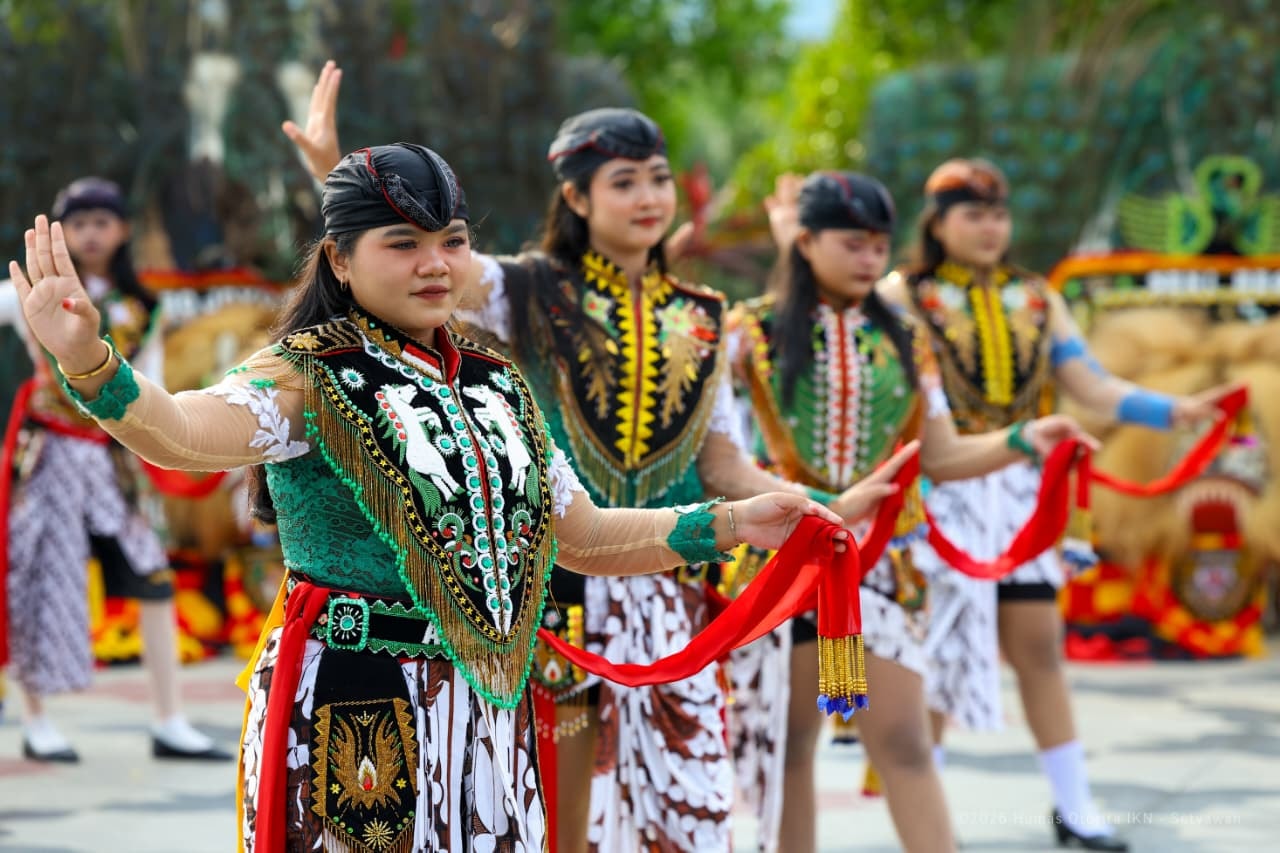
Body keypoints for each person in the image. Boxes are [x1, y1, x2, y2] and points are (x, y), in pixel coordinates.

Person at [7, 143, 858, 851]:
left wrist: (734, 521)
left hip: (486, 708)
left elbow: (583, 533)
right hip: (358, 699)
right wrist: (92, 364)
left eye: (449, 241)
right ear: (339, 258)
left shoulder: (496, 381)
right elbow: (184, 434)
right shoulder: (308, 372)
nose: (435, 265)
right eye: (403, 244)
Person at [282, 62, 913, 853]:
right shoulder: (526, 289)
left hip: (668, 592)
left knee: (687, 812)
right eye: (624, 181)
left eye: (659, 179)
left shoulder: (706, 316)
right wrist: (331, 170)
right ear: (576, 197)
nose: (649, 197)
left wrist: (807, 500)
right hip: (560, 587)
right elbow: (416, 255)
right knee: (561, 816)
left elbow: (722, 464)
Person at [879, 158, 1237, 851]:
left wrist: (1175, 411)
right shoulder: (899, 296)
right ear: (938, 221)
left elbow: (1094, 386)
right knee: (935, 653)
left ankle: (1076, 807)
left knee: (1040, 645)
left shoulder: (1037, 297)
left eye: (997, 213)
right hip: (938, 492)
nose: (989, 227)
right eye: (972, 213)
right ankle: (924, 820)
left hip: (1019, 492)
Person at [737, 171, 1093, 853]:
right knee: (789, 750)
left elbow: (943, 452)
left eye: (879, 245)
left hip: (880, 567)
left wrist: (1024, 439)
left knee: (904, 741)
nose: (870, 258)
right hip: (778, 563)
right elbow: (717, 452)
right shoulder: (747, 330)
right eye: (853, 243)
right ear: (806, 241)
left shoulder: (907, 335)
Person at [0, 178, 230, 762]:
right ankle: (38, 718)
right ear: (59, 233)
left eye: (103, 221)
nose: (91, 233)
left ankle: (169, 717)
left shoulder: (142, 308)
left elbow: (151, 385)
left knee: (152, 574)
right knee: (42, 576)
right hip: (51, 452)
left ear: (123, 231)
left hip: (113, 455)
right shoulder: (29, 292)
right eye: (78, 223)